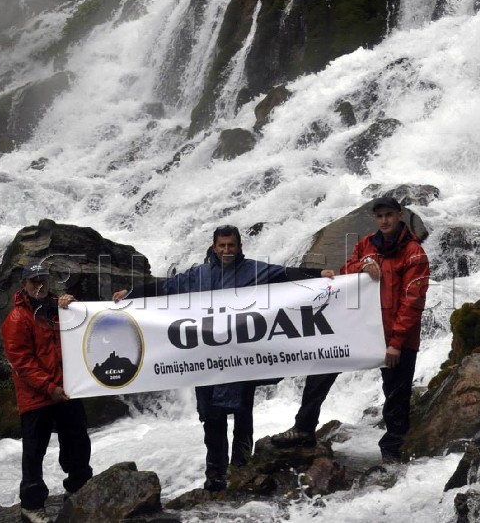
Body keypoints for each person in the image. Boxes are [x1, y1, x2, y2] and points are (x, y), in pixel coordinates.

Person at [113, 225, 327, 492]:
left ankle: (241, 467)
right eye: (222, 246)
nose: (227, 250)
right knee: (211, 420)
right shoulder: (198, 275)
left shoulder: (253, 270)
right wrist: (131, 294)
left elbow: (286, 275)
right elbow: (165, 287)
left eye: (231, 246)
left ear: (239, 247)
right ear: (214, 247)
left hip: (242, 358)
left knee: (243, 415)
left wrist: (321, 275)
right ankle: (215, 477)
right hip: (207, 359)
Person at [270, 196, 430, 462]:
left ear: (400, 215)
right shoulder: (367, 243)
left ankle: (393, 455)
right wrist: (362, 266)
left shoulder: (414, 253)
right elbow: (344, 274)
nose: (384, 221)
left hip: (395, 337)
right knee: (321, 370)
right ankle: (304, 429)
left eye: (389, 215)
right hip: (359, 329)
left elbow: (412, 302)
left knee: (396, 397)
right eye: (379, 216)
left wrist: (396, 343)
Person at [1, 262, 93, 523]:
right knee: (34, 451)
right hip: (37, 395)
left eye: (43, 279)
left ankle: (78, 489)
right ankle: (31, 506)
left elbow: (85, 328)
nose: (39, 285)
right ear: (25, 284)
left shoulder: (60, 308)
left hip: (67, 389)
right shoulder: (17, 319)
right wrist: (49, 388)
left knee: (77, 441)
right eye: (34, 281)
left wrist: (74, 305)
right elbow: (22, 364)